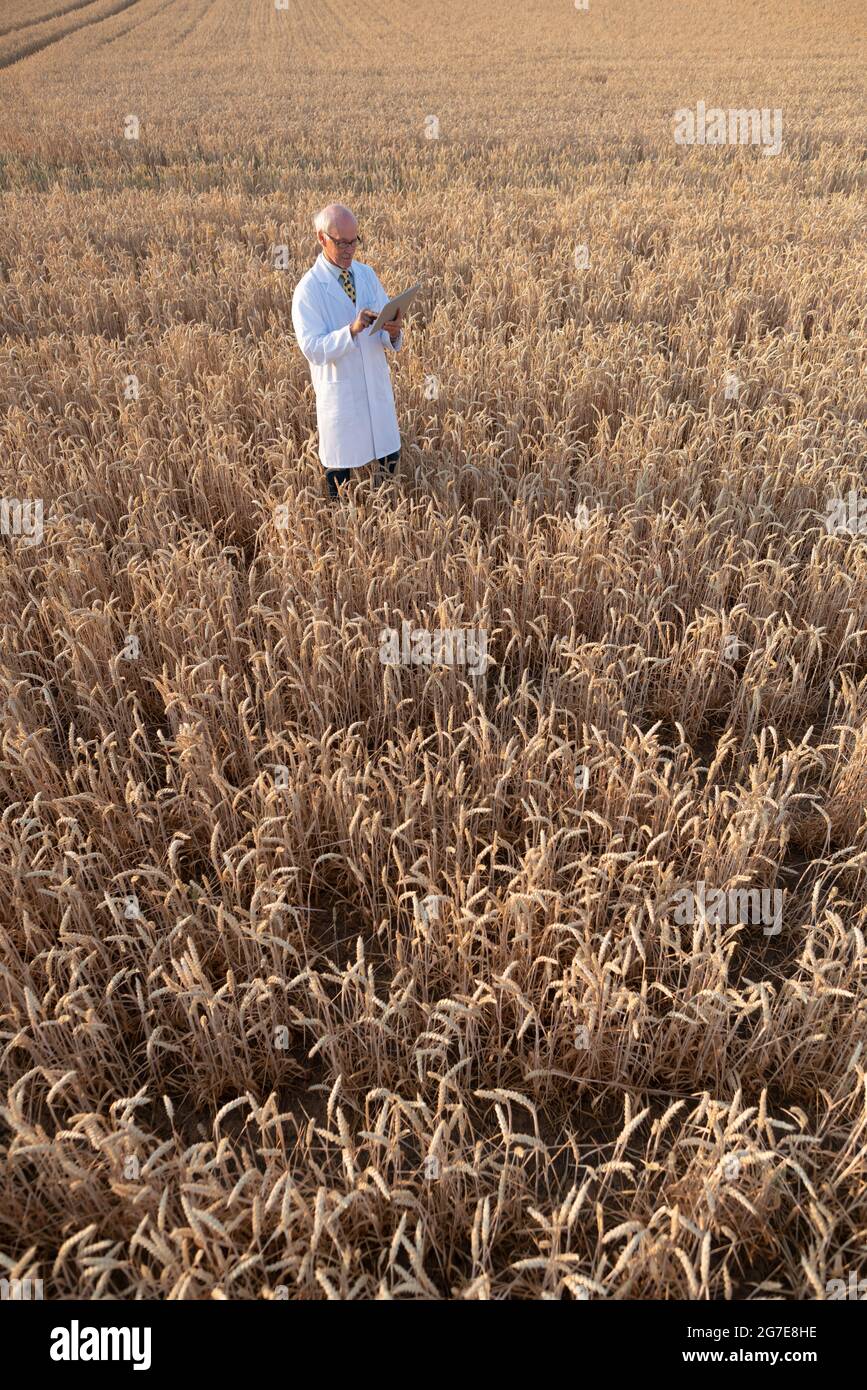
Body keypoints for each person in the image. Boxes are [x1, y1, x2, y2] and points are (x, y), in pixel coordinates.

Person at [291, 203, 405, 500]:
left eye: (354, 241)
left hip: (375, 386)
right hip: (341, 396)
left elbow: (382, 323)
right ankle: (340, 529)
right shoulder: (309, 290)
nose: (349, 249)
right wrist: (350, 331)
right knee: (340, 476)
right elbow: (312, 349)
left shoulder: (366, 274)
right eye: (341, 242)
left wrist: (392, 332)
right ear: (321, 238)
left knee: (388, 457)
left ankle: (389, 519)